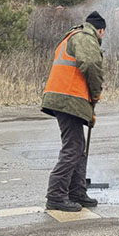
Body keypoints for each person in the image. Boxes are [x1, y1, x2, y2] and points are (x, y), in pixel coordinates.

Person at [41, 11, 105, 212]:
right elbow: (91, 64)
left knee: (78, 147)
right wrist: (96, 93)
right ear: (101, 30)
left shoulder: (73, 36)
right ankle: (56, 196)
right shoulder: (85, 37)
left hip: (66, 98)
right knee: (73, 147)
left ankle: (76, 191)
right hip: (68, 98)